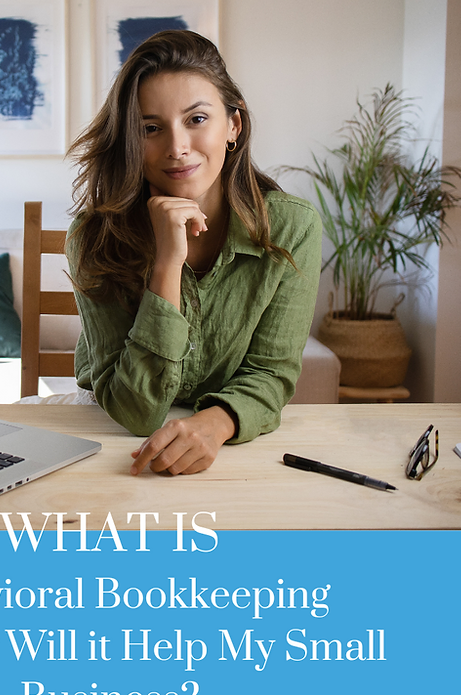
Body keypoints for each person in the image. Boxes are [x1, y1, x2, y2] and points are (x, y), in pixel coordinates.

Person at [66, 30, 321, 477]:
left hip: (236, 451)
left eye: (196, 119)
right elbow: (135, 412)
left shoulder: (291, 227)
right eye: (150, 128)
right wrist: (166, 264)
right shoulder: (93, 237)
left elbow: (271, 374)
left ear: (233, 126)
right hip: (111, 447)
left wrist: (215, 424)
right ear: (130, 139)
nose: (177, 147)